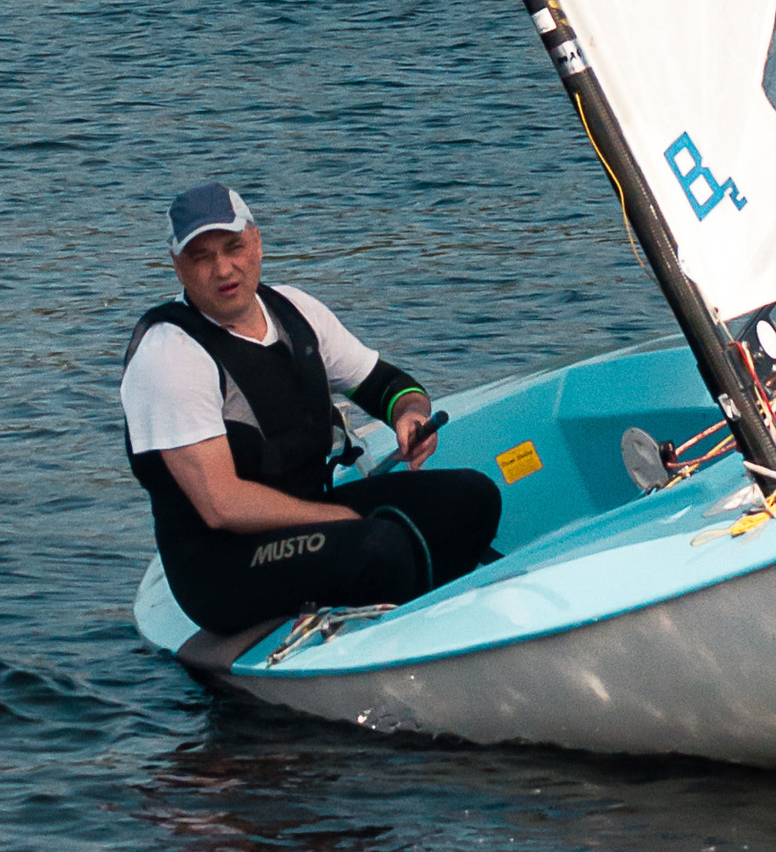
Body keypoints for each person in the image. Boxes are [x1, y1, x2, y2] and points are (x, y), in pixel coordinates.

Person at [122, 183, 502, 636]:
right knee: (378, 546)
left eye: (233, 247)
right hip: (220, 564)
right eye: (201, 257)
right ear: (177, 266)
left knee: (473, 497)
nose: (223, 268)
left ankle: (440, 619)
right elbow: (221, 504)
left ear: (257, 242)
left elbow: (388, 385)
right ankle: (396, 635)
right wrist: (336, 520)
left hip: (310, 515)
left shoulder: (295, 311)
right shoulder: (169, 356)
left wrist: (409, 416)